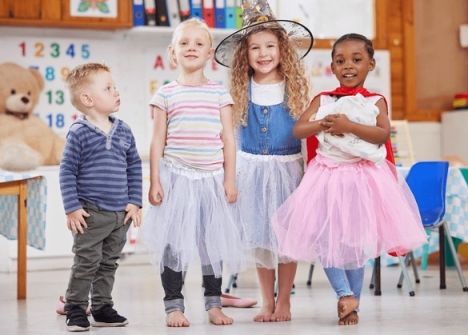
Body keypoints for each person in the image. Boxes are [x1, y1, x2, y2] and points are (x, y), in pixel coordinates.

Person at [272, 33, 428, 326]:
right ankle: (344, 293)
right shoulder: (324, 99)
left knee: (356, 243)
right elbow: (299, 130)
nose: (348, 66)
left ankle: (352, 304)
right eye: (340, 60)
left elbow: (382, 135)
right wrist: (322, 123)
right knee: (327, 239)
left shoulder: (376, 101)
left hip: (363, 178)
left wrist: (349, 126)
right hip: (327, 177)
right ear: (332, 66)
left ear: (370, 64)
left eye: (357, 60)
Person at [138, 18, 246, 327]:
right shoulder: (166, 94)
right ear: (173, 52)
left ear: (210, 53)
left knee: (212, 243)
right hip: (176, 178)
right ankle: (174, 305)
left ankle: (214, 303)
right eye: (184, 43)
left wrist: (229, 179)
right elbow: (157, 140)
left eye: (199, 43)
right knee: (173, 243)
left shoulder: (219, 94)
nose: (191, 48)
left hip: (212, 180)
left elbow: (228, 139)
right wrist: (155, 180)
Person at [214, 0, 313, 323]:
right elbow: (234, 137)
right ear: (245, 54)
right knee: (260, 239)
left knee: (286, 240)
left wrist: (309, 174)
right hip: (252, 171)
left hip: (288, 170)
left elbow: (305, 135)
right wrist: (230, 176)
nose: (263, 53)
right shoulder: (242, 89)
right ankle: (265, 301)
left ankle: (284, 301)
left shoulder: (294, 88)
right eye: (255, 47)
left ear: (282, 49)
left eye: (270, 45)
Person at [60, 62, 143, 332]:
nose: (116, 91)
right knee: (86, 262)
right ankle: (75, 306)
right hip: (90, 214)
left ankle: (102, 306)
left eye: (114, 86)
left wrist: (135, 201)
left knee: (109, 263)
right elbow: (67, 171)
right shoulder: (79, 133)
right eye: (108, 88)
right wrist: (72, 208)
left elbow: (134, 167)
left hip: (120, 215)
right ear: (88, 99)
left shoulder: (124, 130)